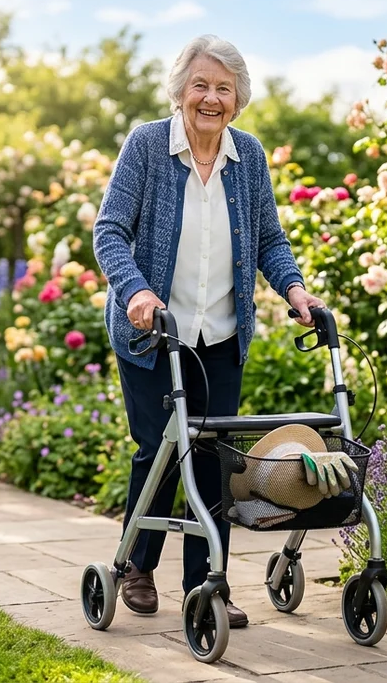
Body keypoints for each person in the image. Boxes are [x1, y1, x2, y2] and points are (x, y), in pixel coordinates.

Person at [92, 34, 324, 629]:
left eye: (224, 88)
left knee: (213, 459)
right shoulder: (147, 145)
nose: (211, 98)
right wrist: (136, 290)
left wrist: (295, 290)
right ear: (180, 91)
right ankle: (137, 566)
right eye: (201, 85)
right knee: (160, 449)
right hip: (153, 334)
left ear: (238, 99)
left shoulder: (248, 158)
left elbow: (269, 239)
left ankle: (206, 584)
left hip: (220, 334)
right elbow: (110, 231)